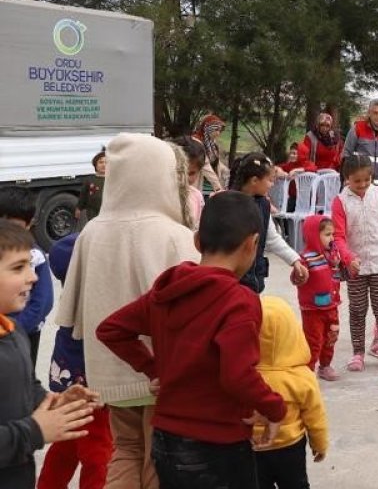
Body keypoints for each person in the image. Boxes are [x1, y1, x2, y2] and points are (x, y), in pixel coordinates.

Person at [96, 192, 288, 489]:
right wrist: (274, 406)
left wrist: (153, 368)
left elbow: (111, 329)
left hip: (165, 438)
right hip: (219, 443)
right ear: (252, 244)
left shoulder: (167, 291)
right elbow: (237, 375)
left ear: (197, 241)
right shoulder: (240, 301)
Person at [54, 134, 201, 489]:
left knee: (125, 450)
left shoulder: (91, 231)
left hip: (109, 369)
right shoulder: (174, 234)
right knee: (157, 454)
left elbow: (70, 313)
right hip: (159, 367)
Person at [1, 220, 98, 489]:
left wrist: (53, 402)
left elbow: (24, 386)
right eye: (18, 268)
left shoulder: (13, 331)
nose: (33, 276)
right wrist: (36, 431)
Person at [38, 232, 114, 489]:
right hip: (89, 382)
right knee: (97, 452)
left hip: (68, 376)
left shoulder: (73, 295)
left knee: (67, 444)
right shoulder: (96, 301)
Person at [332, 154, 378, 374]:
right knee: (357, 309)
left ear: (372, 177)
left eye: (366, 180)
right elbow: (339, 236)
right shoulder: (340, 201)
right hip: (356, 267)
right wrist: (348, 258)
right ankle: (358, 353)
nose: (362, 185)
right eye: (356, 181)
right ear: (347, 179)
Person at [254, 296, 329, 489]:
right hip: (290, 446)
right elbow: (315, 416)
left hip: (251, 448)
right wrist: (319, 444)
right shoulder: (302, 377)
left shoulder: (244, 377)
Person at [229, 153, 309, 294]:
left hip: (254, 280)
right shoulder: (228, 203)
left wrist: (295, 260)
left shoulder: (264, 205)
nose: (272, 185)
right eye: (270, 180)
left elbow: (272, 238)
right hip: (231, 281)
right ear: (254, 181)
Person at [0, 188, 53, 366]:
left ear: (29, 224)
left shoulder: (34, 255)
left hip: (25, 331)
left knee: (25, 373)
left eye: (13, 226)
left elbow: (43, 301)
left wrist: (15, 330)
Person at [294, 216, 344, 381]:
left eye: (332, 234)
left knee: (331, 336)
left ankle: (325, 365)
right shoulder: (305, 258)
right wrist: (299, 274)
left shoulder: (333, 255)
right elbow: (297, 278)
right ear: (314, 235)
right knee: (314, 340)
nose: (332, 238)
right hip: (313, 309)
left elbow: (339, 274)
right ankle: (308, 369)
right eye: (327, 234)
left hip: (332, 305)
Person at [173, 137, 207, 228]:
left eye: (191, 173)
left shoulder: (196, 196)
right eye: (180, 172)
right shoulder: (162, 196)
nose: (185, 178)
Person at [192, 114, 230, 192]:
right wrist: (218, 187)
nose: (218, 133)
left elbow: (217, 163)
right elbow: (205, 165)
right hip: (199, 186)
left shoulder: (212, 144)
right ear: (208, 129)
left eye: (220, 130)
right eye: (216, 130)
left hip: (211, 186)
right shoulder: (196, 142)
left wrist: (228, 173)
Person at [76, 150, 107, 222]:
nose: (104, 165)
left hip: (107, 212)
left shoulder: (112, 180)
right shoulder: (89, 180)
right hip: (92, 212)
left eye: (106, 163)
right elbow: (83, 195)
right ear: (95, 165)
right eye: (101, 162)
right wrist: (79, 208)